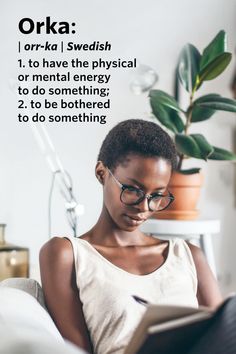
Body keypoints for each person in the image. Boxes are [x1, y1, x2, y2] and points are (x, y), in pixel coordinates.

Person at [40, 119, 225, 354]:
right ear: (101, 173)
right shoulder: (66, 255)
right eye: (133, 191)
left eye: (156, 195)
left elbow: (223, 338)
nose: (144, 207)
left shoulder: (189, 256)